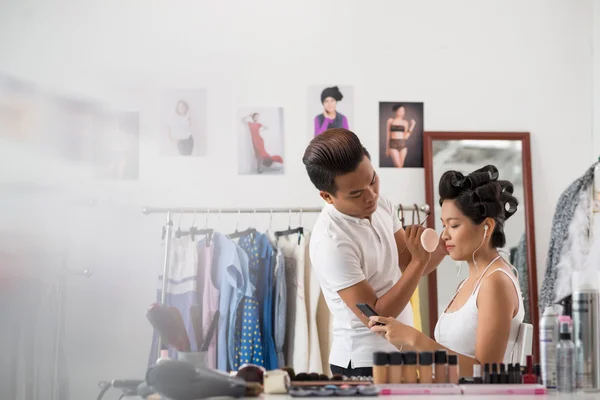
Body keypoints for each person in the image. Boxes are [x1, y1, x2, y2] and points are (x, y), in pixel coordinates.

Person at [303, 128, 447, 377]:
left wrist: (445, 244)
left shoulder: (381, 204)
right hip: (363, 362)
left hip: (402, 352)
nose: (371, 197)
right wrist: (418, 263)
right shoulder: (331, 242)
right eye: (356, 194)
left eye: (372, 180)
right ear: (327, 196)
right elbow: (377, 317)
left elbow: (409, 263)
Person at [369, 165, 524, 375]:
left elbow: (487, 372)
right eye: (444, 225)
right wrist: (401, 340)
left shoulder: (494, 283)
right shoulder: (472, 281)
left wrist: (413, 338)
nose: (444, 236)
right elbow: (451, 357)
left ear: (487, 227)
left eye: (454, 226)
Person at [385, 104, 416, 168]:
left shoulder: (405, 122)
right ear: (396, 111)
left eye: (403, 111)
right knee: (398, 165)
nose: (402, 112)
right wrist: (387, 149)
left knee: (401, 166)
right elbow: (388, 135)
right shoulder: (390, 121)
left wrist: (412, 126)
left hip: (402, 144)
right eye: (400, 110)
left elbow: (406, 137)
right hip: (393, 144)